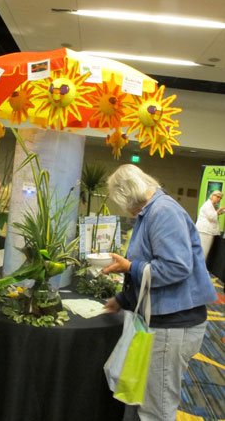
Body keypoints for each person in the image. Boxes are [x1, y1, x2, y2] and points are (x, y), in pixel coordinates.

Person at [102, 164, 217, 421]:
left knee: (157, 408)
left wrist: (130, 266)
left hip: (173, 326)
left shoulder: (163, 212)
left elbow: (176, 268)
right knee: (140, 397)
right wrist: (122, 299)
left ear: (126, 195)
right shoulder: (152, 211)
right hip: (162, 322)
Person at [196, 190, 225, 260]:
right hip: (205, 231)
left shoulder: (212, 205)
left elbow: (215, 213)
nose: (219, 199)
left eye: (220, 198)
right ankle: (200, 267)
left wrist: (221, 211)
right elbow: (211, 216)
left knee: (206, 250)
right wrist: (219, 210)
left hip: (208, 231)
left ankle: (201, 266)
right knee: (204, 250)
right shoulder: (208, 204)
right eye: (217, 197)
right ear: (212, 196)